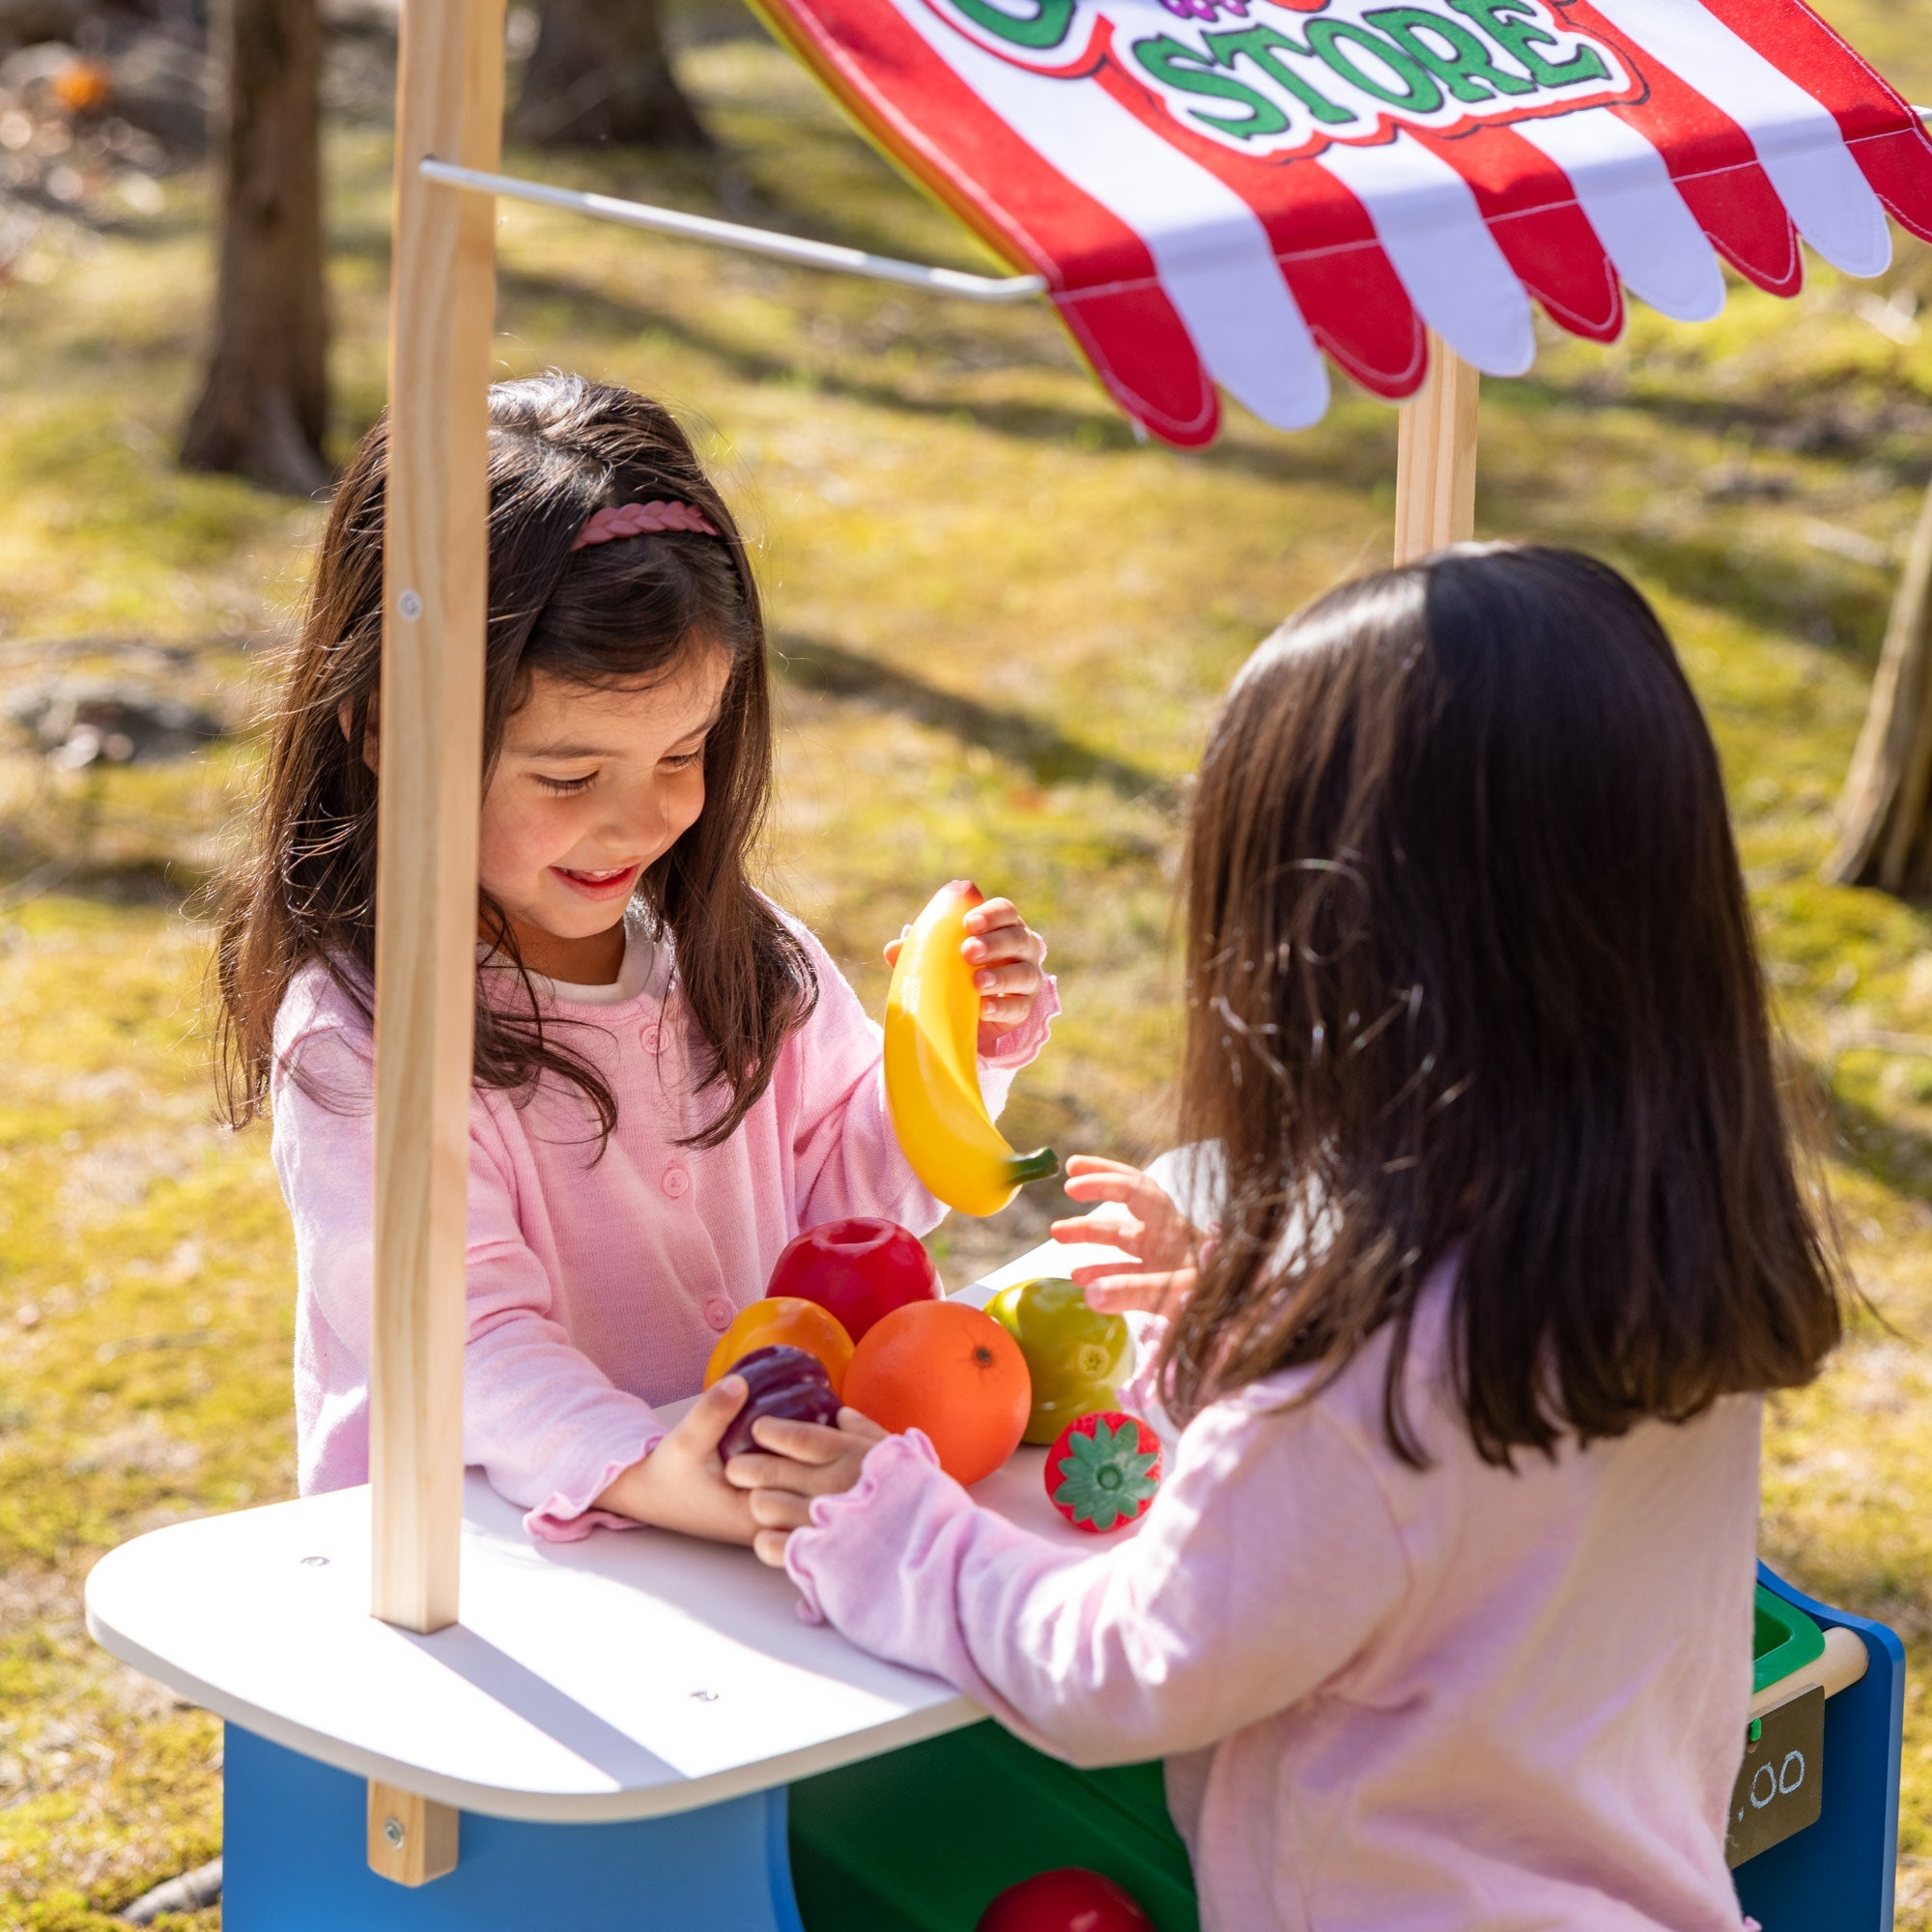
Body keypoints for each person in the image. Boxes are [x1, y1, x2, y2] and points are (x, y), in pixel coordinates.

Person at [733, 546, 1845, 1931]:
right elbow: (1437, 1545)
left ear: (1320, 962)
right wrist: (1244, 1311)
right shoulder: (1652, 1251)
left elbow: (1126, 1667)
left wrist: (881, 1517)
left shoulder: (1347, 1386)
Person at [213, 373, 1055, 1547]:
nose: (638, 817)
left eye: (682, 750)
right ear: (388, 728)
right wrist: (646, 1467)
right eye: (567, 775)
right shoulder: (364, 1038)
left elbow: (852, 1218)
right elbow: (462, 1337)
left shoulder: (738, 957)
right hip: (481, 1573)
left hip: (728, 1527)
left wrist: (963, 1052)